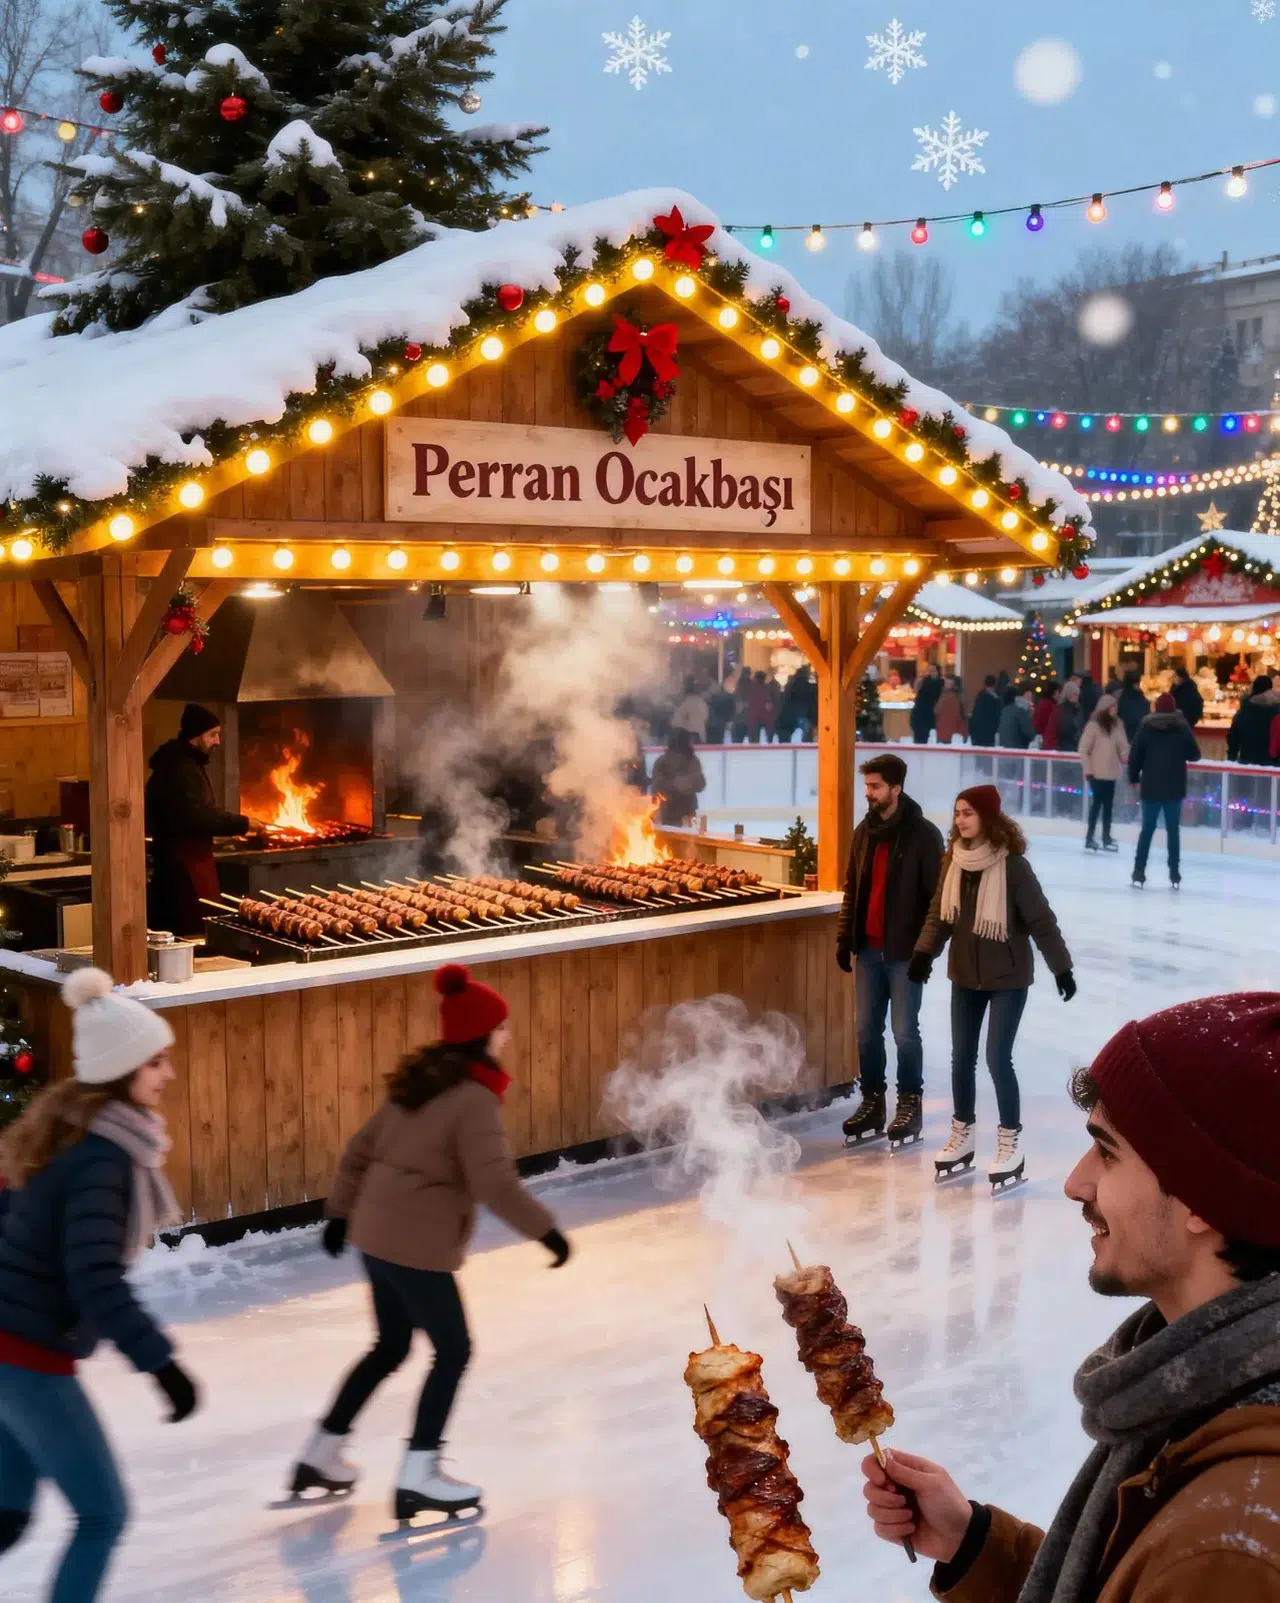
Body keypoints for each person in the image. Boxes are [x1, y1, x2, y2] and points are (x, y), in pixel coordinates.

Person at [861, 992, 1280, 1603]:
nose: (1075, 1181)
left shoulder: (1224, 1555)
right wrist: (975, 1544)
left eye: (1107, 1152)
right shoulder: (1197, 1397)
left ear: (1203, 1199)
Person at [294, 964, 570, 1519]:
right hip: (411, 1243)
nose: (507, 1037)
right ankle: (420, 1472)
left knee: (392, 1345)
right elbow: (494, 1182)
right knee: (454, 1350)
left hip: (376, 1235)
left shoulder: (419, 1085)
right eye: (502, 1028)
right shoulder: (473, 1099)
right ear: (481, 1036)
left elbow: (358, 1151)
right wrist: (548, 1232)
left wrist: (340, 1216)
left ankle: (321, 1453)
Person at [0, 968, 198, 1601]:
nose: (166, 1075)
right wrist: (162, 1364)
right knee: (103, 1515)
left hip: (8, 1348)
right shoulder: (103, 1159)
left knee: (7, 1514)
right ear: (123, 1070)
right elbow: (94, 1276)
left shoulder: (63, 1134)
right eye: (157, 1063)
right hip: (28, 1360)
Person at [909, 786, 1075, 1189]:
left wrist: (1061, 968)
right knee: (960, 1058)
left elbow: (1041, 921)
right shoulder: (954, 862)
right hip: (965, 976)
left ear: (988, 817)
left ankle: (1009, 1142)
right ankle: (962, 1134)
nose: (960, 820)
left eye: (968, 813)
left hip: (1008, 979)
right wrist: (923, 954)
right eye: (957, 813)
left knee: (997, 1057)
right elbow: (939, 916)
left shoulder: (1013, 867)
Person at [836, 755, 944, 1149]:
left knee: (903, 1033)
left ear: (896, 788)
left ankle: (909, 1104)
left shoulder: (924, 836)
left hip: (903, 955)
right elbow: (853, 888)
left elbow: (939, 903)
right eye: (867, 787)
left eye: (875, 787)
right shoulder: (864, 832)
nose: (869, 793)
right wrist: (843, 938)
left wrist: (925, 952)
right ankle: (873, 1102)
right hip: (867, 951)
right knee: (866, 1031)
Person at [145, 703, 260, 937]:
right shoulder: (181, 770)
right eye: (213, 735)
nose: (217, 741)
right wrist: (243, 824)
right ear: (195, 736)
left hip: (185, 861)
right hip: (183, 869)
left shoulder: (184, 764)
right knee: (192, 930)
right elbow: (197, 816)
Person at [1128, 692, 1201, 889]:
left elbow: (1135, 755)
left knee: (1147, 830)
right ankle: (1174, 872)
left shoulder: (1146, 727)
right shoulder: (1181, 727)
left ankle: (1139, 870)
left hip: (1151, 786)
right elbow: (1195, 754)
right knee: (1173, 831)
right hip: (1174, 787)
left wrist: (1134, 778)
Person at [1077, 693, 1129, 853]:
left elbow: (1123, 746)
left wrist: (1128, 753)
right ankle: (1089, 838)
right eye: (1113, 706)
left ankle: (1106, 837)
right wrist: (1088, 770)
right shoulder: (1093, 726)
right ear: (1106, 708)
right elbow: (1084, 749)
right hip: (1096, 774)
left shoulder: (1117, 725)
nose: (1116, 709)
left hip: (1111, 774)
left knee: (1108, 808)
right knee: (1096, 806)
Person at [650, 728, 706, 826]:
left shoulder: (662, 761)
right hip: (685, 811)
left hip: (669, 812)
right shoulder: (692, 761)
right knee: (687, 839)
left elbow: (656, 788)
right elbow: (699, 784)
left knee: (668, 839)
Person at [1227, 674, 1280, 766]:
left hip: (1247, 761)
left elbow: (1233, 737)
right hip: (1274, 765)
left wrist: (1231, 757)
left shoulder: (1245, 710)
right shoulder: (1277, 709)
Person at [1044, 679, 1082, 753]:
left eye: (1077, 695)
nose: (1076, 697)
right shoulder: (1059, 710)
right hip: (1063, 749)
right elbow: (1052, 731)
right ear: (1068, 695)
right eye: (1074, 694)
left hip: (1075, 749)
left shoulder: (1078, 709)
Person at [910, 664, 943, 745]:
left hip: (930, 716)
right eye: (929, 670)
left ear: (938, 672)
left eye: (933, 670)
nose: (931, 673)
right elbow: (918, 694)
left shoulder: (940, 684)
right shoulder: (924, 682)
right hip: (920, 716)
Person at [670, 677, 708, 743]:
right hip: (701, 740)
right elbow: (705, 718)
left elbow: (675, 723)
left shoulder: (686, 704)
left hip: (689, 741)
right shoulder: (702, 702)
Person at [968, 676, 1002, 749]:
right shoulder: (996, 699)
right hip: (989, 734)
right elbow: (998, 717)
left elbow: (974, 715)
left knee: (978, 757)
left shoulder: (979, 697)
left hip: (977, 734)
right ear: (994, 685)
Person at [1116, 669, 1150, 743]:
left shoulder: (1121, 698)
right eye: (1138, 683)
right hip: (1138, 737)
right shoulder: (1140, 699)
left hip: (1124, 737)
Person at [996, 686, 1034, 750]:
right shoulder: (1020, 711)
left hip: (1004, 749)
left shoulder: (1004, 711)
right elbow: (1029, 732)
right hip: (1018, 749)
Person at [1169, 663, 1204, 731]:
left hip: (1184, 721)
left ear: (1180, 677)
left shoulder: (1188, 689)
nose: (1173, 678)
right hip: (1177, 721)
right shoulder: (1176, 687)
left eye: (1174, 676)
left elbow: (1194, 704)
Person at [934, 676, 967, 746]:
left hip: (945, 732)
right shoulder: (960, 697)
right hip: (957, 733)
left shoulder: (945, 697)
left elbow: (937, 711)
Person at [705, 679, 736, 746]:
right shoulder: (729, 699)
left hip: (712, 726)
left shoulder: (713, 698)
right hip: (721, 726)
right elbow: (730, 714)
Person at [1032, 682, 1059, 746]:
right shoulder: (1051, 706)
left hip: (1036, 736)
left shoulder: (1040, 703)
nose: (1059, 695)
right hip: (1044, 738)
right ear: (1053, 693)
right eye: (1058, 692)